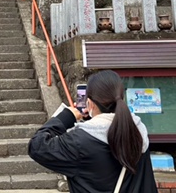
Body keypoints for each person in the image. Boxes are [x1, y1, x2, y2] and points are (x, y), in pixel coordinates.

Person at [28, 70, 158, 193]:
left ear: (90, 104)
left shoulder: (79, 142)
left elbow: (37, 146)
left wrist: (66, 116)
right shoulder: (138, 130)